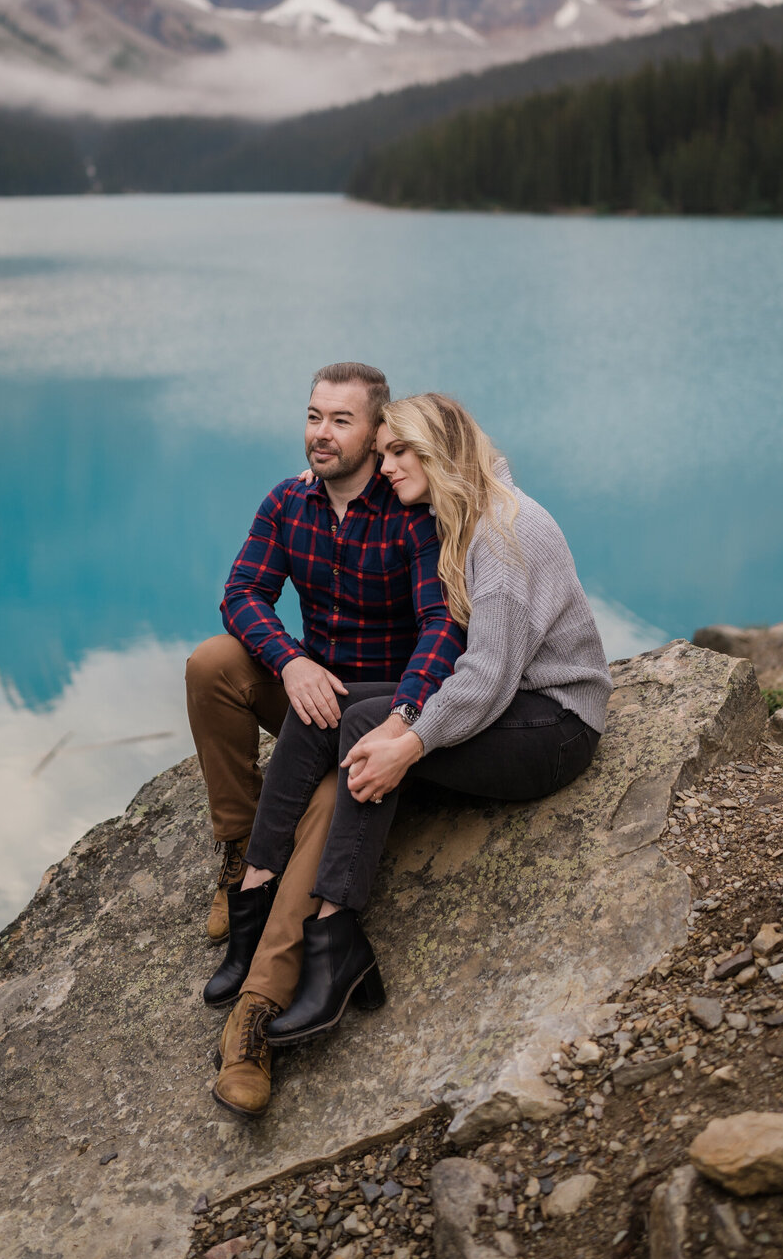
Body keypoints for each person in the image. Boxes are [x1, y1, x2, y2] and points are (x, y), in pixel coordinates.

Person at [213, 392, 611, 1113]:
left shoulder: (507, 533)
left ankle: (331, 939)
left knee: (374, 744)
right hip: (510, 704)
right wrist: (397, 722)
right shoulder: (457, 510)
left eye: (400, 453)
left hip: (553, 726)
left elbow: (486, 678)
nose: (385, 464)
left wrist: (411, 740)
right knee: (343, 714)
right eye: (387, 451)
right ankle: (257, 889)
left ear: (440, 456)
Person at [185, 363, 465, 1116]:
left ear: (379, 434)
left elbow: (444, 624)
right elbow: (240, 594)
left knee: (331, 802)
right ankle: (238, 857)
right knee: (213, 663)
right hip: (311, 695)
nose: (321, 433)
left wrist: (403, 719)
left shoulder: (411, 510)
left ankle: (256, 1009)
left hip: (377, 716)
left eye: (341, 420)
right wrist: (291, 659)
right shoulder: (287, 502)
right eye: (314, 415)